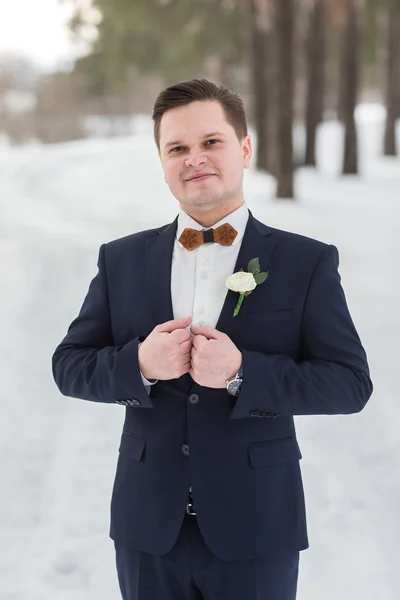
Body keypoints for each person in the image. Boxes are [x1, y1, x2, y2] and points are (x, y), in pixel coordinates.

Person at [52, 78, 373, 600]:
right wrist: (140, 364)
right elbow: (69, 365)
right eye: (177, 148)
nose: (194, 159)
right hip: (147, 530)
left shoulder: (306, 262)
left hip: (257, 526)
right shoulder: (121, 259)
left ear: (244, 149)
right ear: (161, 162)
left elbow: (349, 384)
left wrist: (243, 373)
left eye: (211, 142)